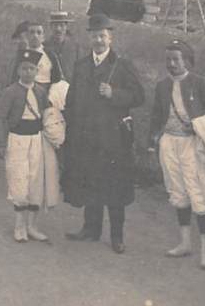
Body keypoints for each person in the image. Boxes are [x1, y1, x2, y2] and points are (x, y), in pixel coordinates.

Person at [61, 13, 145, 254]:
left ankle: (117, 236)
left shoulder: (122, 66)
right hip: (86, 138)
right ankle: (91, 229)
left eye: (103, 36)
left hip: (113, 140)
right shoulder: (81, 65)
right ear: (89, 38)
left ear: (111, 39)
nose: (99, 40)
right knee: (90, 183)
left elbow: (139, 96)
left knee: (114, 188)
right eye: (95, 36)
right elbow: (72, 100)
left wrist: (114, 94)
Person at [149, 39, 205, 269]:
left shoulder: (200, 84)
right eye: (168, 60)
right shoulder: (162, 86)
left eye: (176, 59)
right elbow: (156, 116)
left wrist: (197, 125)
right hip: (169, 144)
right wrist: (152, 143)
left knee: (199, 195)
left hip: (193, 145)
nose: (171, 64)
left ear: (187, 62)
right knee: (178, 192)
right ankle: (184, 242)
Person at [0, 49, 55, 243]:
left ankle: (32, 226)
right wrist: (0, 143)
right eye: (24, 68)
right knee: (19, 180)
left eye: (32, 68)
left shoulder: (41, 92)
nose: (28, 72)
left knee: (35, 182)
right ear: (18, 71)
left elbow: (49, 115)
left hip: (36, 140)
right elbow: (0, 119)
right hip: (17, 139)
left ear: (37, 71)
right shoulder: (10, 92)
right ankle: (19, 226)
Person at [45, 11, 80, 82]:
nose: (58, 29)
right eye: (55, 25)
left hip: (71, 88)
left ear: (66, 27)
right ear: (50, 27)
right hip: (50, 88)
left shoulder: (76, 47)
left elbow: (81, 70)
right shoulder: (44, 47)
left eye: (61, 25)